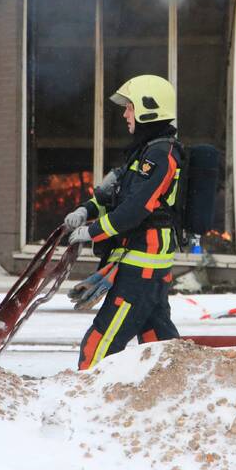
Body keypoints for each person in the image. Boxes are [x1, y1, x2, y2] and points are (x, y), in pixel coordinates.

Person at [64, 74, 183, 370]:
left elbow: (135, 209)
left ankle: (85, 394)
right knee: (160, 348)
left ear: (148, 108)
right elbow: (115, 195)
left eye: (130, 107)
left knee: (99, 345)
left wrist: (92, 232)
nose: (125, 114)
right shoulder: (145, 151)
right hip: (141, 266)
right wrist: (86, 209)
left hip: (141, 267)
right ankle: (179, 391)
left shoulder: (160, 155)